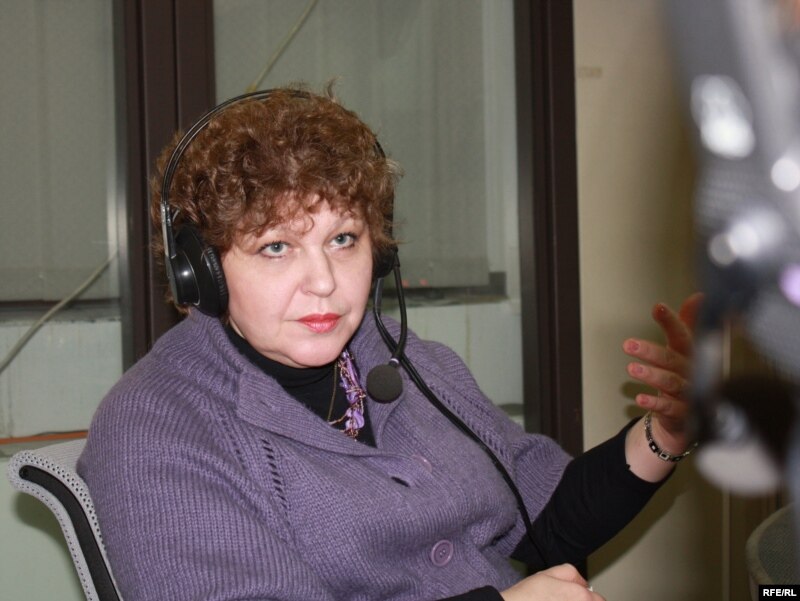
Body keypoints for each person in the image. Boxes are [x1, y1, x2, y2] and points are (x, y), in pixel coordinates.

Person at [78, 85, 701, 601]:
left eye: (343, 239)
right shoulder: (155, 425)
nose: (324, 281)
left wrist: (667, 432)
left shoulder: (404, 360)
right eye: (276, 247)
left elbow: (546, 523)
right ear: (202, 273)